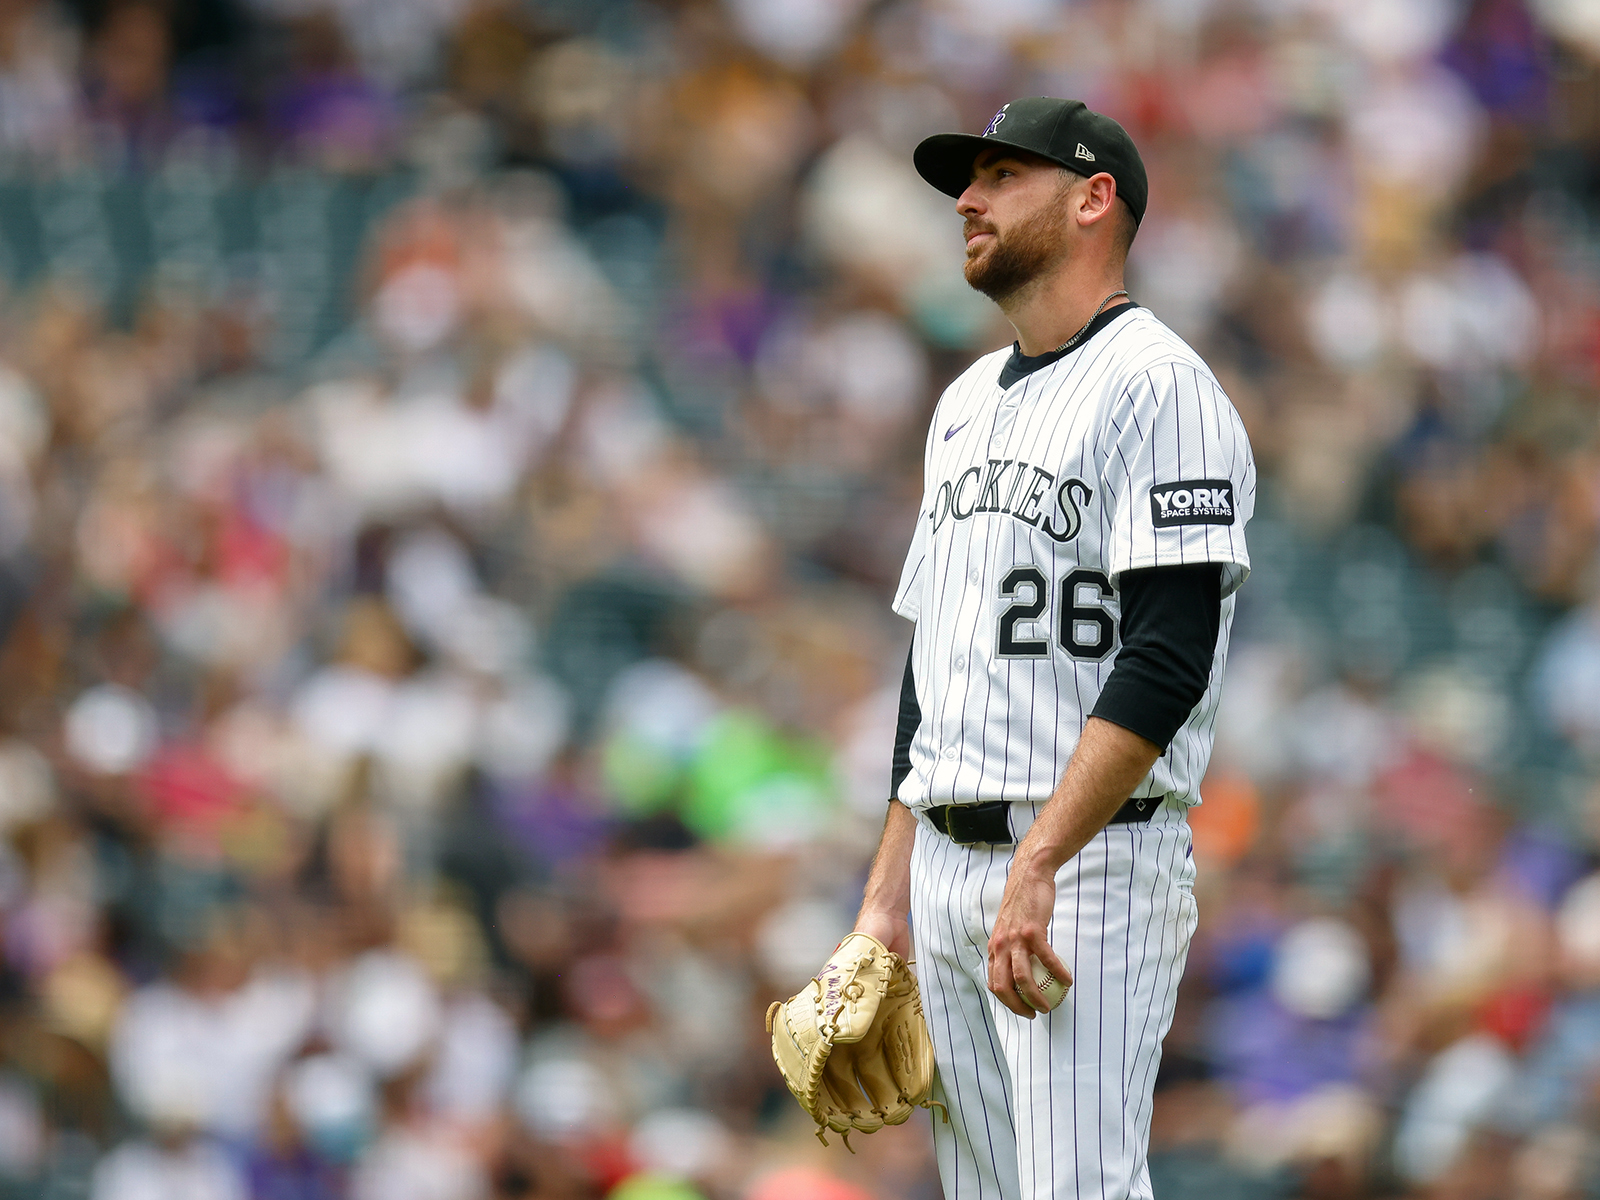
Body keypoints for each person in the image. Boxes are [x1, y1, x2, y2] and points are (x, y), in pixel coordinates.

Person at [852, 97, 1255, 1199]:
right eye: (966, 182)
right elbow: (933, 668)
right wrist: (885, 900)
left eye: (1001, 176)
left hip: (1087, 860)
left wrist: (1039, 864)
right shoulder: (963, 402)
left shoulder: (1160, 387)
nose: (968, 201)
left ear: (1093, 198)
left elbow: (1165, 659)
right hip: (945, 862)